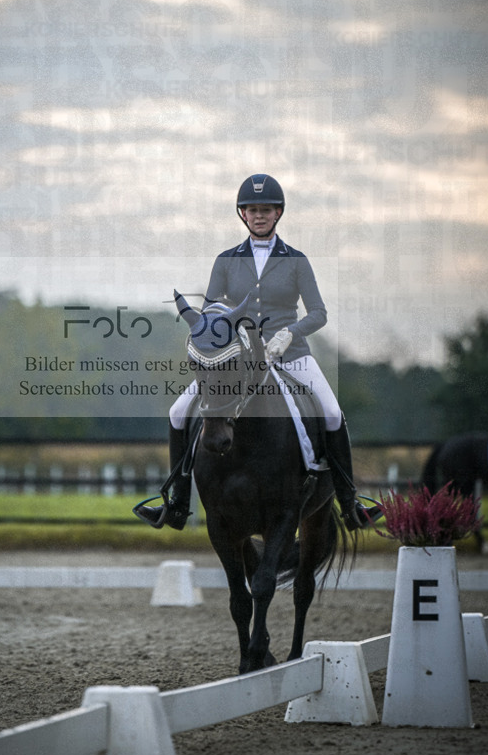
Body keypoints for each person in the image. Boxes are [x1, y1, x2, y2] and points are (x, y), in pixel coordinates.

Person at [134, 173, 379, 532]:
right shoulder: (226, 260)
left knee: (330, 411)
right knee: (177, 411)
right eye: (252, 210)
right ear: (243, 215)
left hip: (291, 353)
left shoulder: (296, 260)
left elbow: (318, 313)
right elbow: (213, 312)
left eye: (266, 209)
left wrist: (289, 333)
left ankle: (349, 503)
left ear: (278, 213)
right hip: (237, 359)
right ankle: (176, 503)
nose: (259, 215)